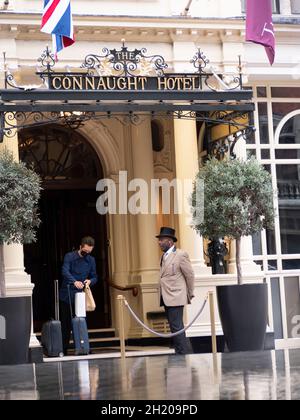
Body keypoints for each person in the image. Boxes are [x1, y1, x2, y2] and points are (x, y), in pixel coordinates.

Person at [156, 227, 195, 355]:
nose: (159, 242)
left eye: (162, 240)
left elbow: (189, 275)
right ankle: (180, 351)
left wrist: (190, 293)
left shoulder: (181, 255)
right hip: (166, 296)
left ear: (170, 241)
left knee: (177, 326)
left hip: (176, 296)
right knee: (174, 326)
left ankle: (183, 353)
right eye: (159, 240)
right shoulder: (163, 256)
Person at [59, 236, 98, 355]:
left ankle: (83, 346)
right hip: (67, 293)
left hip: (81, 296)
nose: (86, 254)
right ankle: (63, 348)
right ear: (80, 247)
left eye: (89, 252)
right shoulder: (69, 256)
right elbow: (64, 271)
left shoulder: (91, 260)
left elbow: (95, 276)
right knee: (65, 323)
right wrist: (74, 281)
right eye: (84, 251)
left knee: (81, 320)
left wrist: (90, 281)